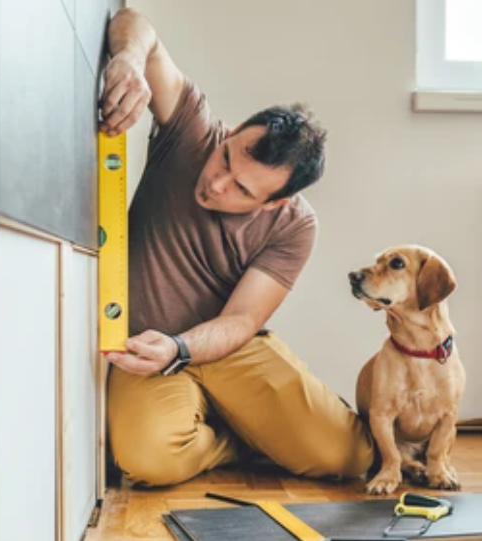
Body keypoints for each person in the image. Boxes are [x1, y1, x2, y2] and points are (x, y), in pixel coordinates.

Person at [100, 7, 373, 487]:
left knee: (348, 457)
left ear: (274, 203)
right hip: (143, 346)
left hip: (223, 345)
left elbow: (243, 319)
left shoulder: (295, 225)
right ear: (229, 135)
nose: (216, 184)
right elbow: (134, 21)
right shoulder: (191, 133)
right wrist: (127, 57)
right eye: (226, 158)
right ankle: (237, 438)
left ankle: (255, 427)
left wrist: (182, 347)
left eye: (243, 191)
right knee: (149, 461)